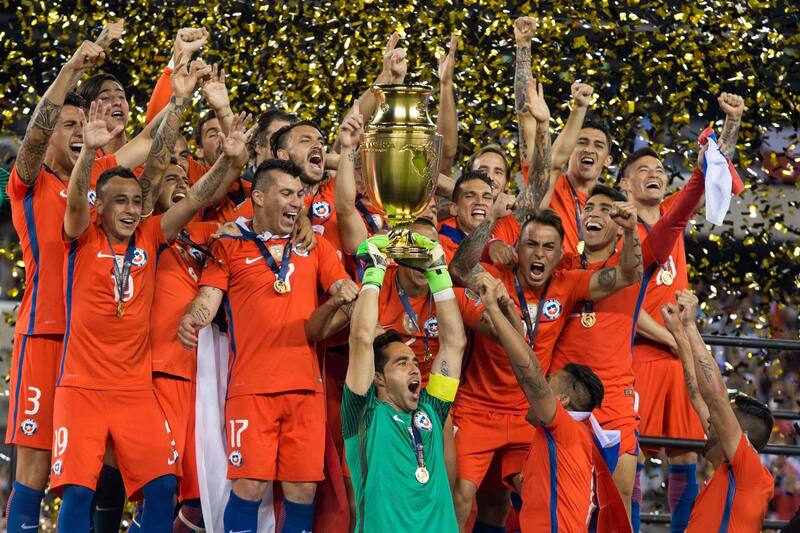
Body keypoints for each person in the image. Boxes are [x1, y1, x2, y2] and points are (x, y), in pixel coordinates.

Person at [54, 80, 251, 532]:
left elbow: (197, 196)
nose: (128, 209)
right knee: (79, 494)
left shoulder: (149, 234)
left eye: (135, 202)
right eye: (118, 202)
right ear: (99, 207)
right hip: (81, 389)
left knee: (163, 488)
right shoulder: (82, 237)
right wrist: (90, 153)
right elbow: (74, 201)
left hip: (134, 390)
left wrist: (227, 158)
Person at [177, 158, 359, 533]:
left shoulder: (316, 247)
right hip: (251, 389)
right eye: (287, 194)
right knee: (249, 484)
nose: (297, 202)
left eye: (300, 195)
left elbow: (340, 286)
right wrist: (193, 316)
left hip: (306, 389)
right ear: (259, 197)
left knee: (303, 490)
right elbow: (209, 298)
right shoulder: (230, 246)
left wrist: (350, 293)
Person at [447, 198, 643, 529]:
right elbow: (460, 268)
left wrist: (631, 231)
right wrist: (491, 222)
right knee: (461, 497)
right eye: (532, 244)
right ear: (517, 250)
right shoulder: (497, 277)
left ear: (559, 254)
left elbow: (628, 274)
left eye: (549, 247)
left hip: (530, 414)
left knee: (547, 490)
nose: (539, 253)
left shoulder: (568, 283)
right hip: (478, 409)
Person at [549, 141, 709, 517]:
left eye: (606, 209)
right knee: (560, 498)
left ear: (619, 222)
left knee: (617, 501)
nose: (595, 214)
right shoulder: (560, 265)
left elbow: (674, 221)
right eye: (589, 207)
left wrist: (701, 174)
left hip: (615, 399)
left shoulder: (633, 266)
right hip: (562, 396)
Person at [3, 38, 116, 533]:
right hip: (45, 338)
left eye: (80, 124)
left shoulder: (104, 179)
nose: (75, 132)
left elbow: (148, 151)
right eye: (66, 125)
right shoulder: (30, 181)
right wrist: (71, 68)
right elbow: (32, 137)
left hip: (96, 347)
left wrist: (176, 83)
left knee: (88, 468)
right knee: (33, 466)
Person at [618, 93, 744, 532]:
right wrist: (677, 338)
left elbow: (712, 172)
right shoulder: (620, 232)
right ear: (625, 186)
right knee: (629, 453)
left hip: (679, 354)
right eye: (642, 171)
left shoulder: (672, 215)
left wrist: (731, 123)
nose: (654, 175)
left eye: (658, 170)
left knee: (687, 454)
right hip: (640, 354)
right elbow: (626, 310)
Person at [342, 232, 467, 532]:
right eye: (402, 363)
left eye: (414, 361)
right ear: (378, 378)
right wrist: (375, 269)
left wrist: (438, 272)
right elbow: (360, 338)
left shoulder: (432, 410)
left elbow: (454, 343)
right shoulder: (363, 415)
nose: (414, 368)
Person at [478, 274, 606, 532]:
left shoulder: (565, 429)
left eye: (550, 384)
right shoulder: (574, 437)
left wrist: (492, 308)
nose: (541, 387)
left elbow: (530, 374)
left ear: (562, 401)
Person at [660, 291, 774, 532]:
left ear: (737, 433)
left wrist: (691, 326)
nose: (709, 420)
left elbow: (715, 399)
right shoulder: (727, 467)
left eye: (720, 420)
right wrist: (679, 334)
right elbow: (697, 395)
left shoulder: (749, 473)